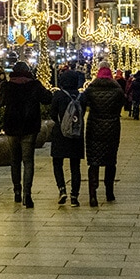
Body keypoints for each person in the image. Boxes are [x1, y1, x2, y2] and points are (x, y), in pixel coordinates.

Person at [0, 61, 53, 208]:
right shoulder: (34, 85)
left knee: (15, 161)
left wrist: (1, 87)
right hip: (29, 128)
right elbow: (48, 99)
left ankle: (17, 192)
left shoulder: (8, 86)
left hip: (12, 127)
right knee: (28, 161)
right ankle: (28, 194)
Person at [80, 62, 125, 206]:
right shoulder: (117, 89)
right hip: (112, 128)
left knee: (94, 161)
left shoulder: (91, 88)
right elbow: (122, 104)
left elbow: (83, 104)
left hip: (94, 127)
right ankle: (109, 192)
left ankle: (93, 196)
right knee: (111, 161)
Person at [50, 69, 85, 206]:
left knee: (57, 163)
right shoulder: (81, 96)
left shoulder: (58, 95)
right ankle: (74, 196)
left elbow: (53, 113)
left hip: (60, 133)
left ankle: (62, 189)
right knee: (75, 166)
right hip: (76, 134)